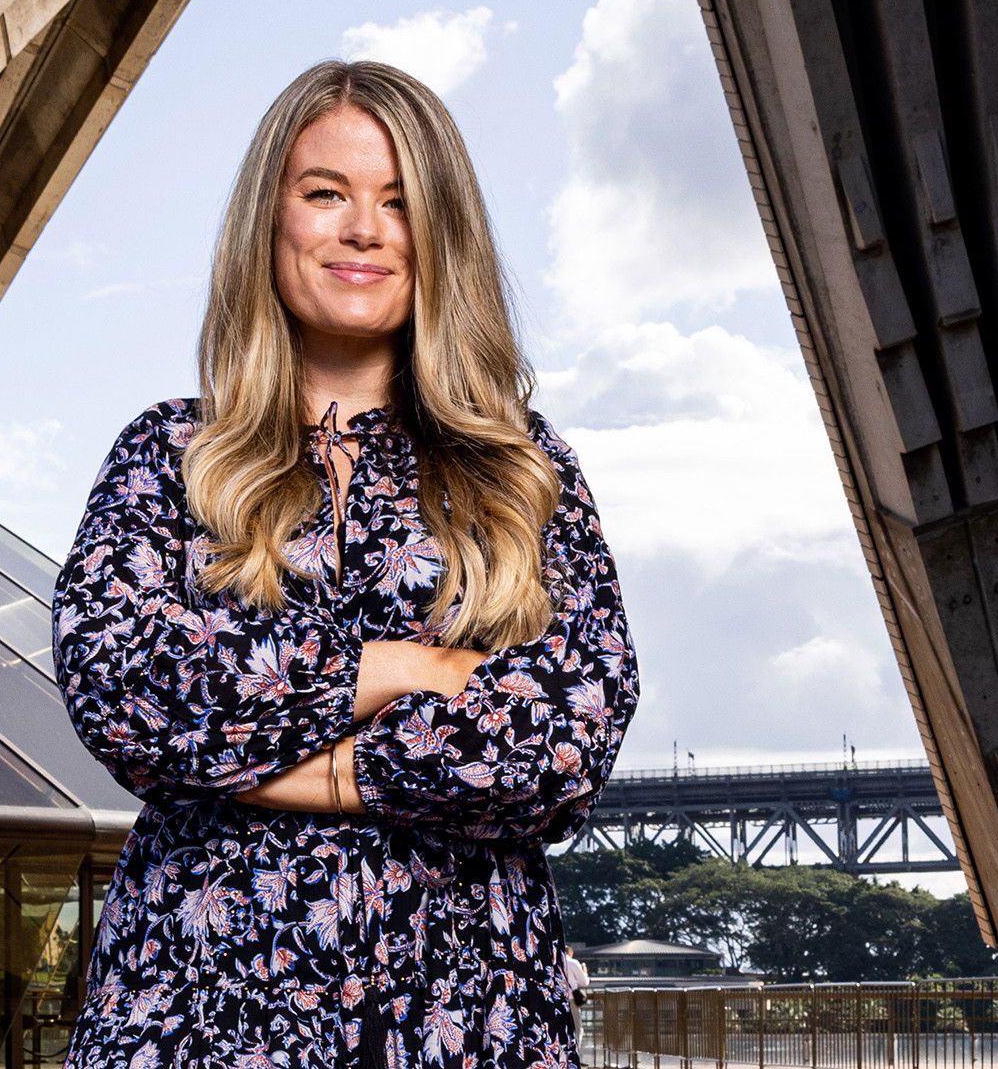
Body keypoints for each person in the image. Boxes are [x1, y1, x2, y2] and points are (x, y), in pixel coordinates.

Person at [53, 58, 641, 1068]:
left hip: (465, 1010)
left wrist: (265, 763)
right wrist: (401, 670)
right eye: (326, 193)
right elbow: (122, 683)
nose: (364, 229)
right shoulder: (167, 456)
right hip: (199, 1011)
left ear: (438, 237)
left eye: (399, 203)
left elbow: (566, 734)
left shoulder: (521, 470)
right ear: (269, 221)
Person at [562, 944, 592, 1039]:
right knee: (577, 1028)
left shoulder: (553, 962)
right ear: (570, 952)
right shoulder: (573, 962)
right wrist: (585, 972)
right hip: (571, 999)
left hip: (556, 998)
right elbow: (584, 982)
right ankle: (576, 1050)